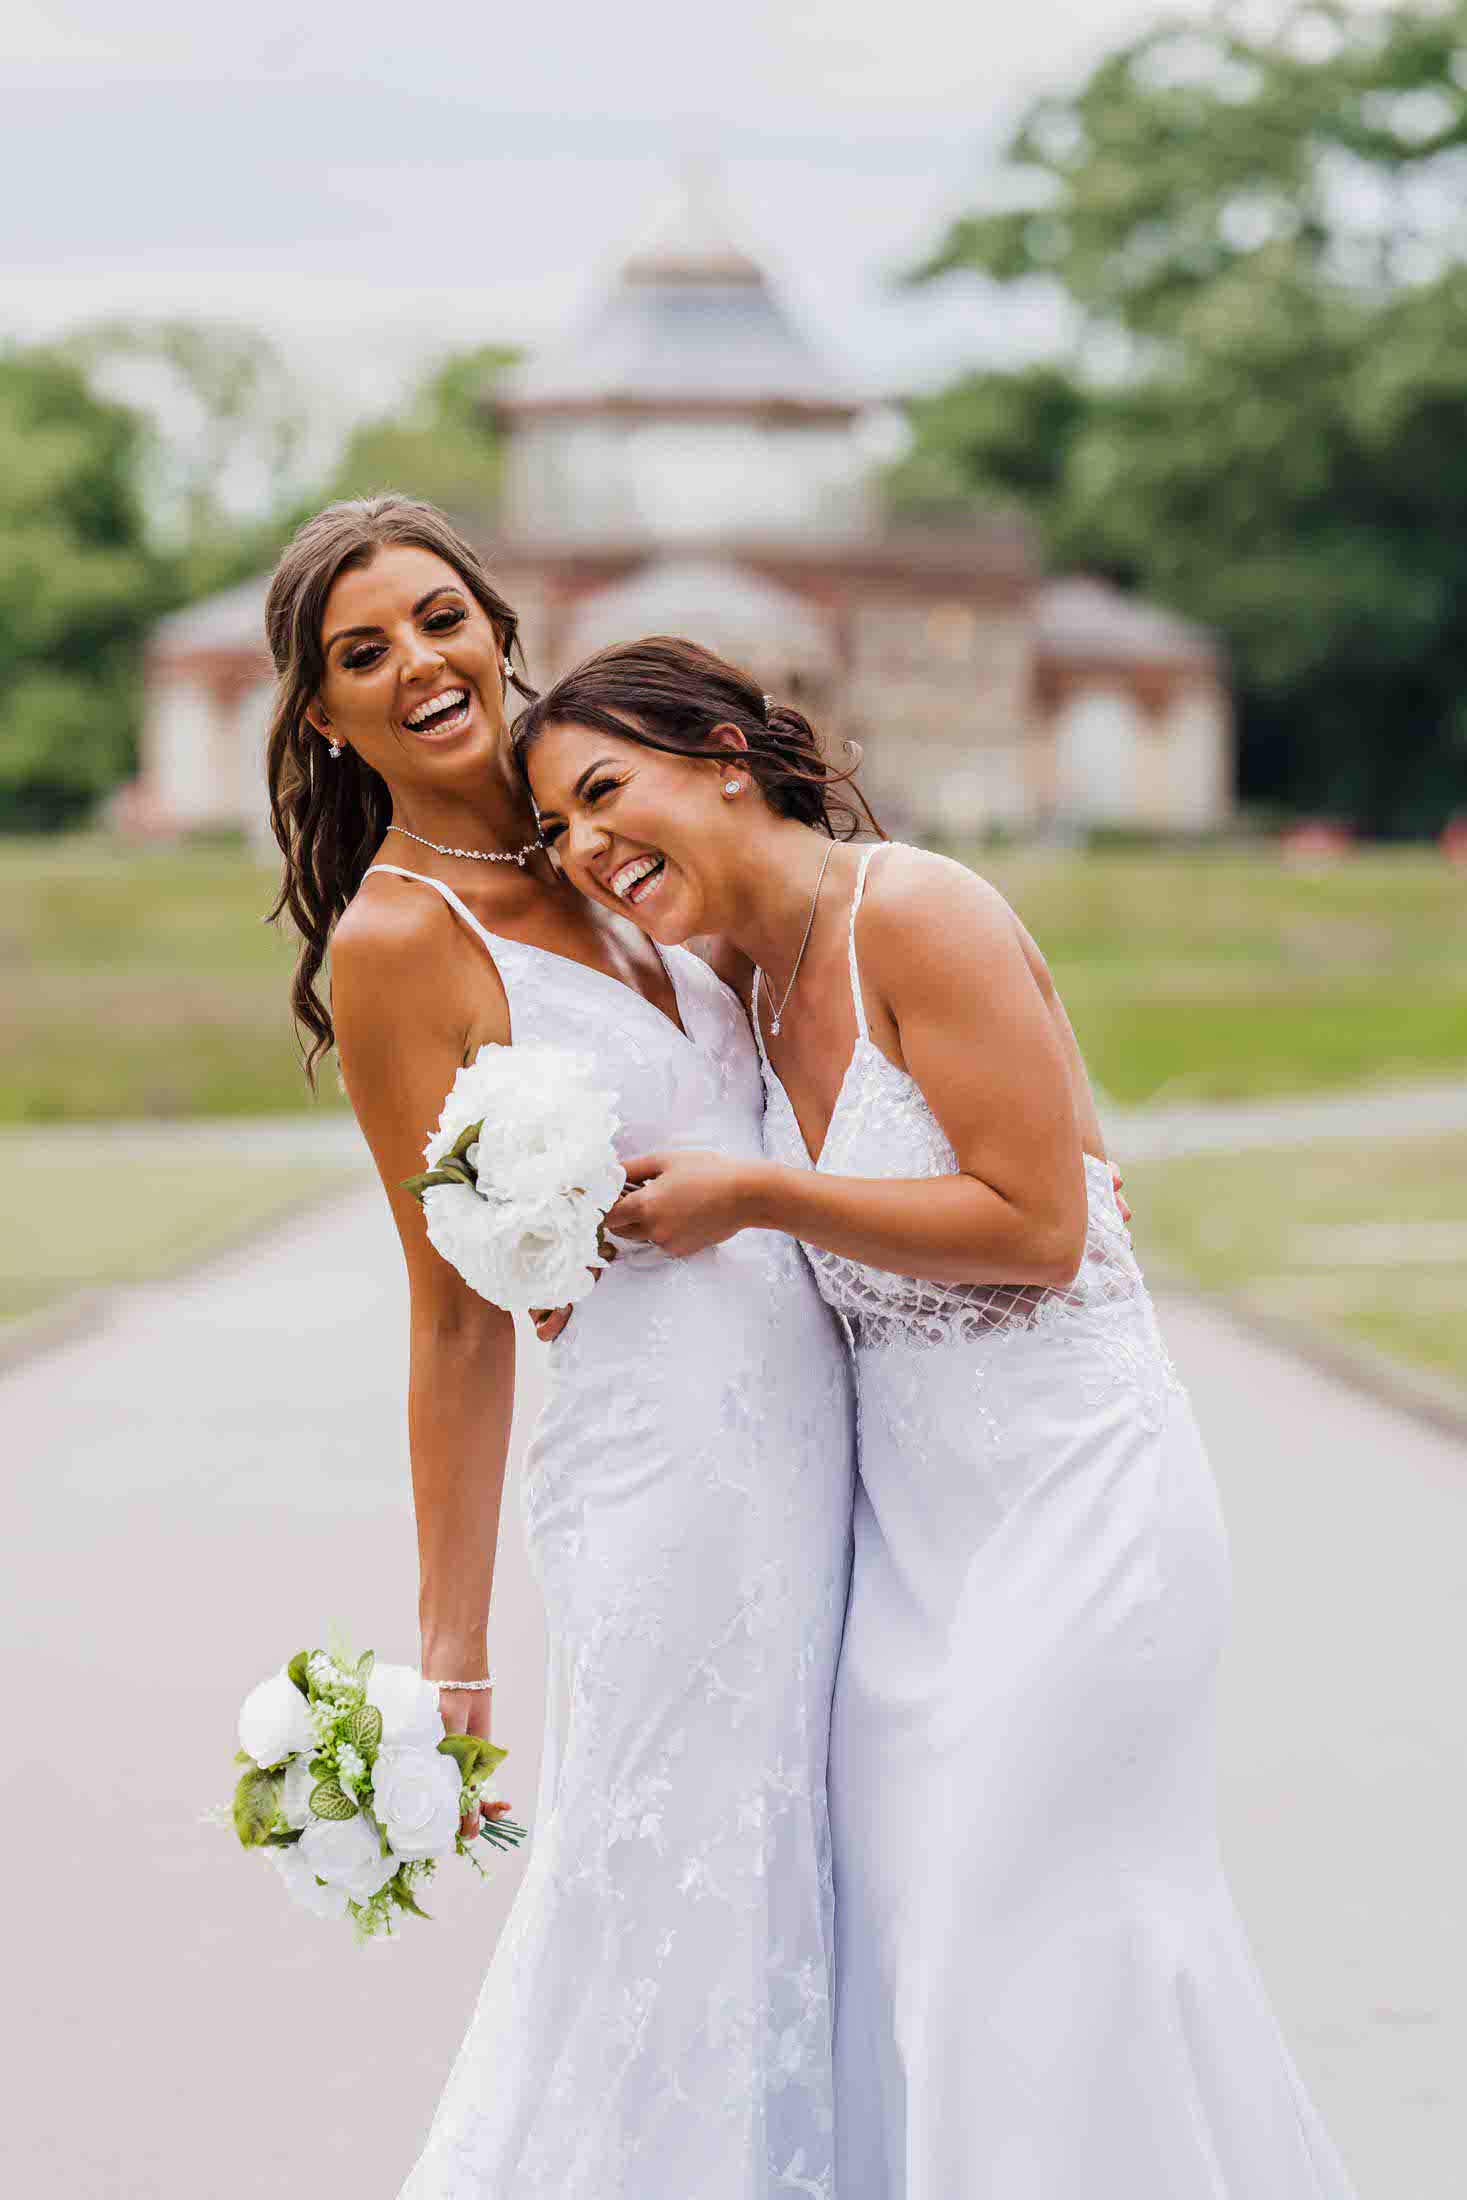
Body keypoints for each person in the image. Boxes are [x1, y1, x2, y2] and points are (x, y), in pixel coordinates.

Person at [515, 635, 1361, 2200]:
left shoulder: (916, 909)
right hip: (913, 1558)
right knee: (929, 1973)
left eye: (602, 791)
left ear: (723, 754)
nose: (585, 847)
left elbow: (1041, 1230)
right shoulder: (738, 995)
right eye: (558, 829)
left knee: (1020, 1954)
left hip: (1079, 1512)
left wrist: (762, 1194)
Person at [264, 502, 855, 2200]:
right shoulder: (397, 943)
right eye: (360, 655)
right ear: (325, 718)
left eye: (437, 618)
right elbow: (452, 1313)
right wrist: (452, 1652)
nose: (418, 665)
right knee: (670, 1889)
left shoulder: (615, 817)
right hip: (662, 1480)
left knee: (821, 1878)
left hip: (830, 1438)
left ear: (497, 623)